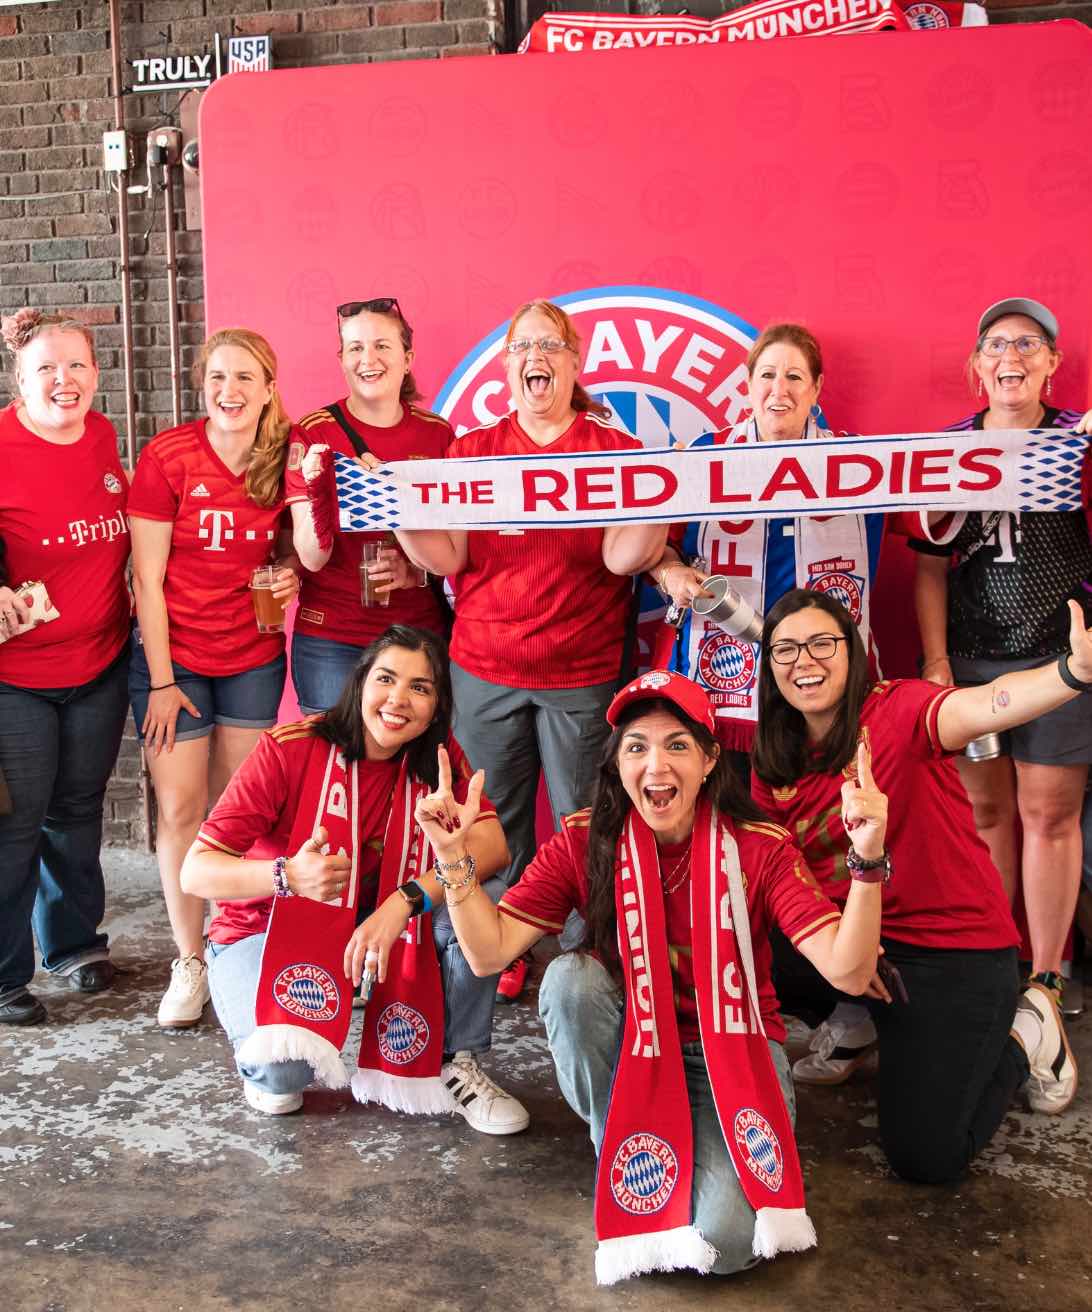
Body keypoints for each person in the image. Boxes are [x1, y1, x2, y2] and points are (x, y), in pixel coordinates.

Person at [395, 669, 886, 1281]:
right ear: (617, 764)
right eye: (637, 747)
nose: (656, 765)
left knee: (726, 1246)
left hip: (731, 1055)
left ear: (709, 760)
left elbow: (849, 971)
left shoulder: (759, 846)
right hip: (632, 1048)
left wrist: (867, 857)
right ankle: (621, 1144)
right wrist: (452, 858)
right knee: (569, 981)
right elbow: (488, 954)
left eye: (677, 744)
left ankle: (678, 1158)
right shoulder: (583, 841)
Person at [750, 587, 1082, 1185]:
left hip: (949, 951)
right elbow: (776, 876)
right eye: (786, 649)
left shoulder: (898, 710)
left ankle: (1028, 1030)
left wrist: (1071, 673)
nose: (805, 661)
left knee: (926, 1158)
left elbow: (989, 704)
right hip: (862, 938)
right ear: (770, 666)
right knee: (742, 938)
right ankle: (854, 1016)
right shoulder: (773, 755)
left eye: (822, 643)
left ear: (852, 651)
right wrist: (846, 951)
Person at [396, 298, 670, 997]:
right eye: (521, 347)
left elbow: (620, 560)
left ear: (574, 363)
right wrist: (396, 509)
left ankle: (587, 952)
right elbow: (449, 556)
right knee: (493, 822)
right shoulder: (471, 453)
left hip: (580, 670)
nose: (534, 358)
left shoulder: (612, 453)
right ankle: (502, 945)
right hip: (484, 667)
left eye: (549, 346)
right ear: (506, 366)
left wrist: (661, 499)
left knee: (587, 820)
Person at [180, 625, 528, 1132]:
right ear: (360, 682)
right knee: (282, 1076)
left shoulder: (435, 755)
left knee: (479, 897)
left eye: (420, 687)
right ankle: (260, 1021)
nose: (398, 699)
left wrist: (404, 901)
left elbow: (493, 847)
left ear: (437, 706)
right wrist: (288, 875)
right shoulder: (288, 749)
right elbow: (196, 872)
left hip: (375, 922)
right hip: (266, 927)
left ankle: (455, 1060)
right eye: (386, 679)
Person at [912, 296, 1092, 1009]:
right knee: (985, 814)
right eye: (995, 344)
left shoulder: (1078, 441)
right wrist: (936, 660)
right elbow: (929, 566)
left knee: (1050, 814)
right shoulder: (949, 447)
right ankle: (996, 962)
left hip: (1059, 655)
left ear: (1051, 364)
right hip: (974, 656)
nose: (1010, 355)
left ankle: (1047, 974)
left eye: (1027, 343)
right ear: (976, 366)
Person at [128, 328, 300, 1030]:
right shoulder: (169, 455)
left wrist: (290, 572)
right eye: (217, 378)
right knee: (180, 810)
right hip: (175, 662)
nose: (229, 391)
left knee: (237, 814)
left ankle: (235, 946)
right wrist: (162, 681)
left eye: (244, 378)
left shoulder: (284, 457)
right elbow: (146, 579)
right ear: (203, 385)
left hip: (252, 657)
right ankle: (190, 959)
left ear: (268, 388)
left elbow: (296, 548)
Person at [649, 322, 884, 756]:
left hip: (821, 670)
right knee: (734, 789)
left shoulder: (860, 461)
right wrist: (671, 573)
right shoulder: (703, 455)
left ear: (816, 388)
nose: (780, 389)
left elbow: (933, 515)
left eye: (794, 376)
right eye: (768, 375)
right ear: (748, 383)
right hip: (723, 669)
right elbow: (657, 549)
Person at [0, 309, 131, 1024]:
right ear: (18, 380)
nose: (64, 380)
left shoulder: (102, 436)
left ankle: (73, 944)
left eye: (76, 364)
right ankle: (3, 975)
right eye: (45, 368)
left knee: (77, 814)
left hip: (99, 664)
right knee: (16, 825)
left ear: (97, 373)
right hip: (16, 678)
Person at [287, 297, 452, 714]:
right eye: (356, 348)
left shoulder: (438, 435)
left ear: (407, 358)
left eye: (382, 346)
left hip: (416, 635)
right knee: (333, 753)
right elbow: (311, 557)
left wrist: (414, 572)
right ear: (342, 360)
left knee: (414, 754)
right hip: (332, 637)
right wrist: (319, 491)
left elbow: (456, 553)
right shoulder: (313, 433)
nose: (368, 359)